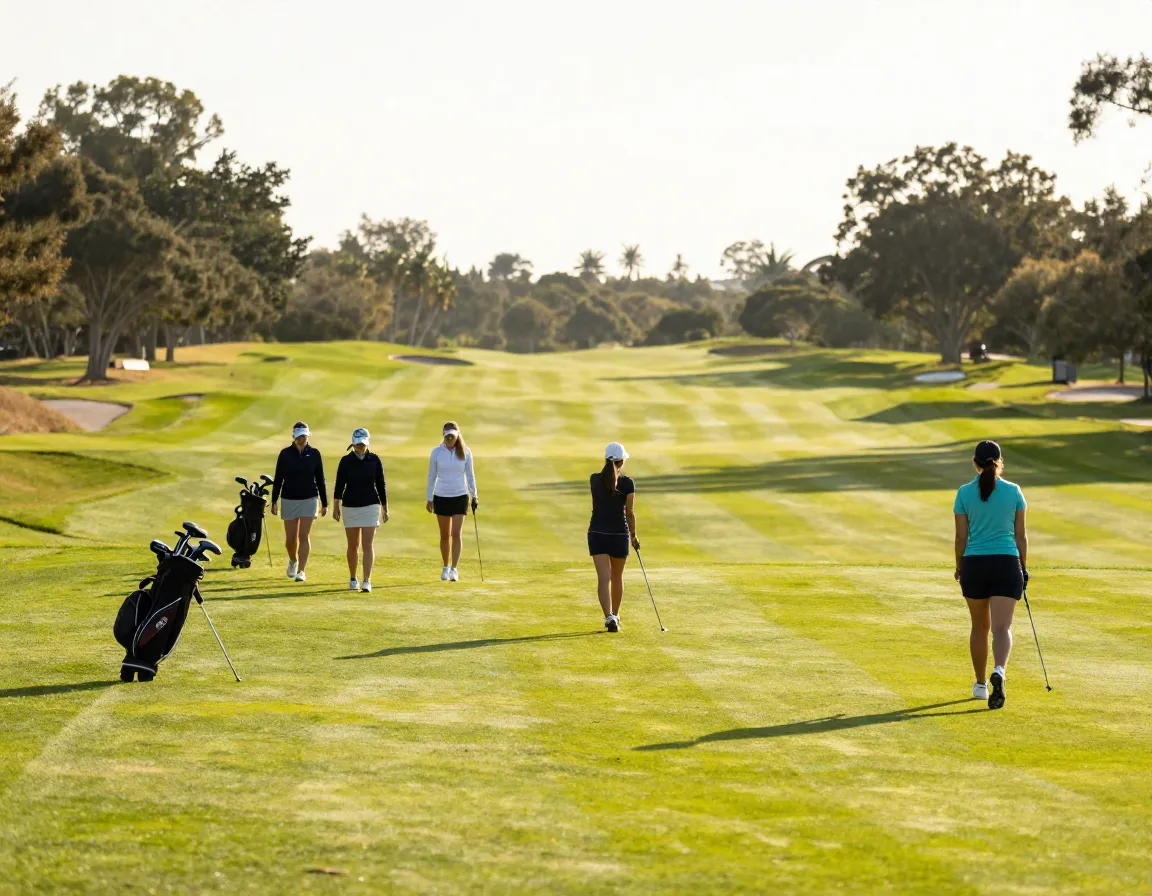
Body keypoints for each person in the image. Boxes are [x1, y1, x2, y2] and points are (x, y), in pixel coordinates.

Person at [954, 439, 1028, 710]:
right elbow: (1020, 536)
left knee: (979, 627)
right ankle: (1000, 669)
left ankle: (981, 685)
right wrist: (1023, 566)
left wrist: (959, 566)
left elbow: (961, 537)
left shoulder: (963, 493)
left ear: (975, 463)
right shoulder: (1014, 491)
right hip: (1007, 564)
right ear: (1000, 462)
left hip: (974, 564)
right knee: (1002, 627)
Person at [588, 442, 639, 633]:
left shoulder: (594, 479)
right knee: (617, 576)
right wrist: (634, 536)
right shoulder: (628, 483)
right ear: (622, 460)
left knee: (604, 578)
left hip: (597, 533)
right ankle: (615, 615)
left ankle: (608, 616)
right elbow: (630, 513)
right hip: (619, 535)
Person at [333, 427, 389, 593]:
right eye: (357, 444)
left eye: (363, 444)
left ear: (367, 443)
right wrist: (336, 506)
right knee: (353, 545)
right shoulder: (345, 461)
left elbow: (381, 484)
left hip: (371, 505)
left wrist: (385, 507)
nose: (360, 447)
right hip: (350, 505)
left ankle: (367, 580)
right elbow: (339, 485)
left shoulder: (374, 460)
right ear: (353, 443)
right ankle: (353, 578)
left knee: (367, 544)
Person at [271, 421, 328, 582]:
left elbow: (320, 479)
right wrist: (274, 500)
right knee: (290, 539)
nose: (301, 439)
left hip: (309, 498)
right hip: (288, 498)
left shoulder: (315, 454)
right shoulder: (285, 454)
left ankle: (301, 570)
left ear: (308, 436)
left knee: (304, 535)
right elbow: (278, 479)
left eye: (303, 436)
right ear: (293, 436)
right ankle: (293, 560)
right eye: (298, 436)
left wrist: (325, 502)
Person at [425, 421, 478, 582]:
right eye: (447, 436)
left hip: (460, 496)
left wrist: (474, 495)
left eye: (452, 436)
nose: (449, 439)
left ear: (457, 436)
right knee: (444, 535)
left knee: (456, 534)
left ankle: (454, 568)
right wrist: (429, 497)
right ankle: (445, 567)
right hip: (441, 496)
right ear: (443, 435)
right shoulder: (436, 452)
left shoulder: (465, 452)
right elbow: (432, 475)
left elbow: (470, 475)